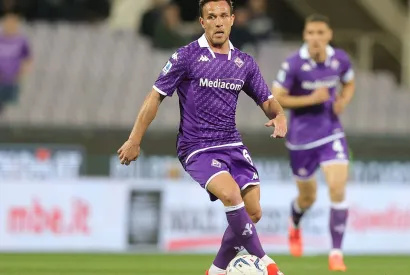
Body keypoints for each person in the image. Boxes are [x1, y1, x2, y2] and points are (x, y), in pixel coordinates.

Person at [117, 1, 287, 275]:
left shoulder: (244, 63)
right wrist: (134, 139)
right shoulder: (186, 56)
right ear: (202, 22)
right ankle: (268, 265)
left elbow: (268, 102)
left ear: (232, 19)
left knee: (253, 212)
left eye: (223, 16)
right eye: (211, 17)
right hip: (197, 147)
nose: (218, 22)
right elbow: (154, 98)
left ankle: (216, 271)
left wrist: (280, 116)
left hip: (232, 144)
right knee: (232, 195)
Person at [272, 14, 355, 271]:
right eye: (311, 33)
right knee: (307, 198)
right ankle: (295, 222)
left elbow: (349, 82)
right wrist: (311, 99)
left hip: (331, 132)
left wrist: (343, 100)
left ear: (329, 35)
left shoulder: (340, 59)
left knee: (337, 188)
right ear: (304, 36)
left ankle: (336, 253)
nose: (315, 38)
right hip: (301, 139)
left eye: (320, 33)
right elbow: (276, 98)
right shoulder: (294, 64)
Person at [0, 12, 31, 114]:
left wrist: (21, 73)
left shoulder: (21, 41)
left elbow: (27, 58)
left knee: (11, 105)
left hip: (14, 79)